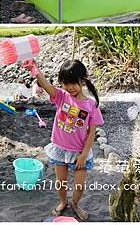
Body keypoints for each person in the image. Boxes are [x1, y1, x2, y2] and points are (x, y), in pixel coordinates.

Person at [23, 59, 104, 221]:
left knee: (79, 185)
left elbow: (91, 133)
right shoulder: (61, 96)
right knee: (60, 182)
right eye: (66, 83)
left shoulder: (91, 106)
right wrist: (34, 70)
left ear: (83, 80)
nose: (70, 87)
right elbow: (46, 85)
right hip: (60, 148)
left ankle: (74, 203)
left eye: (74, 83)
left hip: (80, 152)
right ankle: (63, 202)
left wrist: (83, 154)